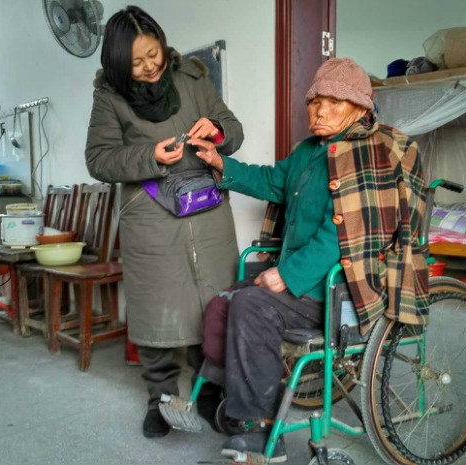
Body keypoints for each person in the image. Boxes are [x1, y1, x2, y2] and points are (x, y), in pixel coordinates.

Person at [191, 57, 429, 462]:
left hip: (342, 287)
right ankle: (230, 402)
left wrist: (286, 274)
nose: (319, 110)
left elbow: (346, 232)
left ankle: (265, 430)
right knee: (221, 303)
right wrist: (220, 163)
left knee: (250, 305)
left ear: (360, 107)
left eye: (333, 102)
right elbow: (271, 181)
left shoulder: (371, 152)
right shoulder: (307, 151)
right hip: (301, 283)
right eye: (314, 101)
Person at [84, 5, 244, 439]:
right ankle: (159, 399)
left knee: (211, 303)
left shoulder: (193, 77)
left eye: (153, 53)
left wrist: (217, 132)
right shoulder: (110, 97)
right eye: (136, 62)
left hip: (207, 209)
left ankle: (209, 388)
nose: (150, 66)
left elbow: (233, 128)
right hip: (151, 216)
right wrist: (148, 156)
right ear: (119, 64)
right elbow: (98, 159)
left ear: (161, 43)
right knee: (157, 309)